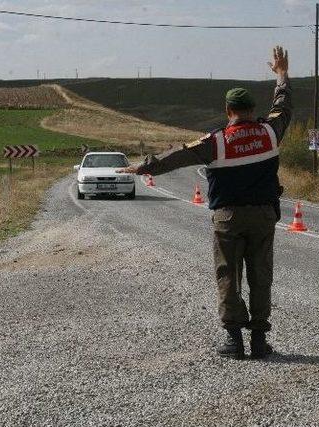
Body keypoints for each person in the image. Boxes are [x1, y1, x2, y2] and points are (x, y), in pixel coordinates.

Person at [117, 46, 292, 359]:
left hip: (228, 218)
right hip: (265, 215)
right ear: (252, 109)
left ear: (228, 112)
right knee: (261, 275)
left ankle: (234, 341)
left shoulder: (216, 142)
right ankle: (260, 342)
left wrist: (142, 167)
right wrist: (281, 75)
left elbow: (176, 156)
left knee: (228, 274)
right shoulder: (270, 131)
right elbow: (283, 106)